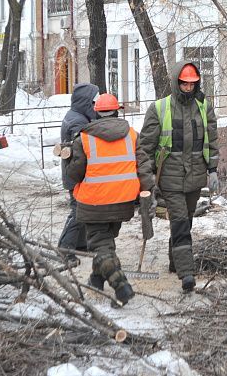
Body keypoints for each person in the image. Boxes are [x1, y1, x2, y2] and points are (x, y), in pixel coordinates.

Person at [136, 61, 219, 293]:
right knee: (180, 222)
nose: (188, 88)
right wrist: (148, 179)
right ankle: (187, 274)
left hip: (195, 176)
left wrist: (213, 170)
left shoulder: (204, 107)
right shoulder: (160, 109)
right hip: (170, 177)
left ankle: (175, 262)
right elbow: (145, 148)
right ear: (176, 82)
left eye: (192, 84)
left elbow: (212, 140)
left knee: (186, 222)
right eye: (184, 83)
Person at [67, 92, 139, 306]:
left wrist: (68, 163)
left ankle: (121, 285)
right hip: (123, 202)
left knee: (101, 246)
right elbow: (143, 163)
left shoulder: (85, 138)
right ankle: (96, 279)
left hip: (94, 203)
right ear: (117, 111)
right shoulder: (132, 135)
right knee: (106, 243)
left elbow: (75, 173)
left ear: (96, 112)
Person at [57, 82, 98, 263]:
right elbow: (83, 146)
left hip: (74, 173)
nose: (96, 106)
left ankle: (81, 244)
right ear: (86, 102)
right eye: (94, 102)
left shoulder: (77, 115)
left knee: (83, 209)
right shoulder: (77, 122)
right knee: (77, 211)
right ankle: (65, 249)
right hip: (76, 174)